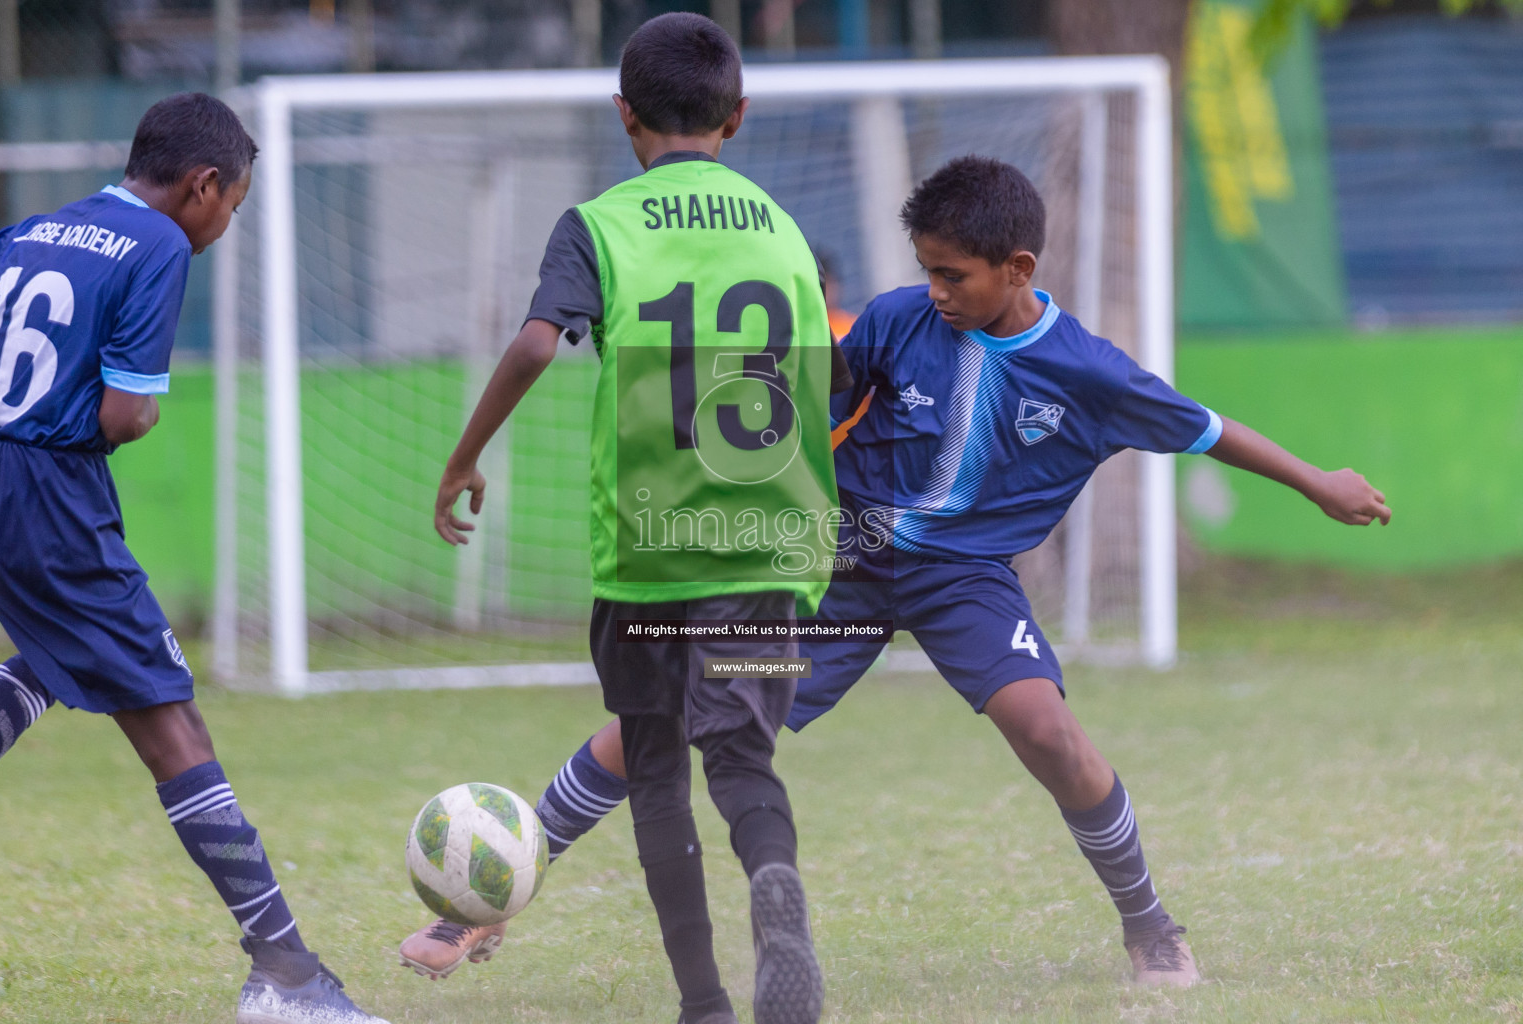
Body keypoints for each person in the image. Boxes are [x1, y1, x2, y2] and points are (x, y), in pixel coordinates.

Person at [405, 156, 1390, 992]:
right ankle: (482, 906)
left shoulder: (1091, 373)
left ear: (1018, 268)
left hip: (963, 579)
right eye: (925, 271)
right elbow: (805, 394)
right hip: (836, 563)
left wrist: (1317, 483)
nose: (935, 291)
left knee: (1048, 728)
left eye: (953, 275)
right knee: (653, 720)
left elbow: (1209, 430)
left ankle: (1149, 922)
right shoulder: (895, 319)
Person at [418, 14, 846, 1024]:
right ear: (736, 116)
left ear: (624, 116)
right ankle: (775, 889)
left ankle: (703, 1000)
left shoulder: (599, 224)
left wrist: (464, 455)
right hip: (766, 546)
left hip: (649, 554)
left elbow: (532, 347)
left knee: (653, 766)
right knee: (743, 761)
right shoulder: (782, 228)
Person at [0, 93, 386, 1024]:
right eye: (232, 207)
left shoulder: (30, 228)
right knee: (175, 729)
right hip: (49, 493)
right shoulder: (157, 244)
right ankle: (287, 976)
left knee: (50, 660)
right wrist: (122, 412)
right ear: (202, 185)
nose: (224, 226)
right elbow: (126, 414)